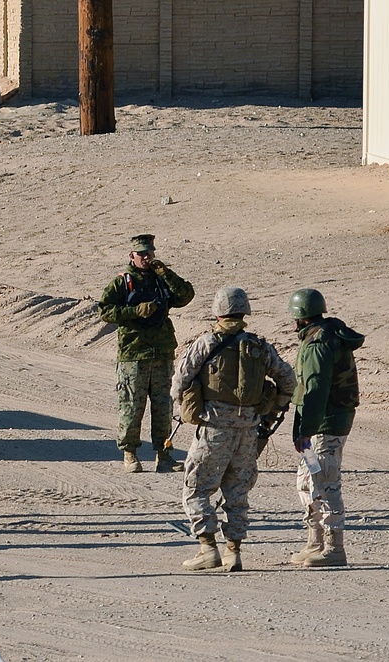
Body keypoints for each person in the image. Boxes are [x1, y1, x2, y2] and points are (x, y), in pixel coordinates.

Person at [172, 287, 296, 571]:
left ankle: (207, 549)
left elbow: (179, 384)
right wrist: (268, 411)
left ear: (217, 312)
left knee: (197, 488)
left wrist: (193, 406)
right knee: (238, 492)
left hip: (214, 430)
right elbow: (288, 382)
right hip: (248, 432)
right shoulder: (260, 346)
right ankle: (234, 551)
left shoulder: (206, 343)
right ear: (245, 312)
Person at [99, 234, 195, 473]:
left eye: (149, 252)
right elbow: (106, 311)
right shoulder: (122, 283)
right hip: (134, 354)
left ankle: (164, 455)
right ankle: (130, 453)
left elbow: (185, 295)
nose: (146, 257)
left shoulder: (161, 280)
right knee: (131, 406)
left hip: (161, 353)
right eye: (141, 253)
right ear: (131, 255)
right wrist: (135, 311)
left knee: (163, 407)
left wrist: (165, 273)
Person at [287, 288, 363, 568]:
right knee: (307, 481)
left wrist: (305, 429)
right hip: (318, 425)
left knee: (326, 481)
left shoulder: (319, 343)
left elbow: (316, 389)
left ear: (300, 318)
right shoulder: (322, 336)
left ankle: (334, 548)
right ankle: (315, 541)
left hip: (326, 424)